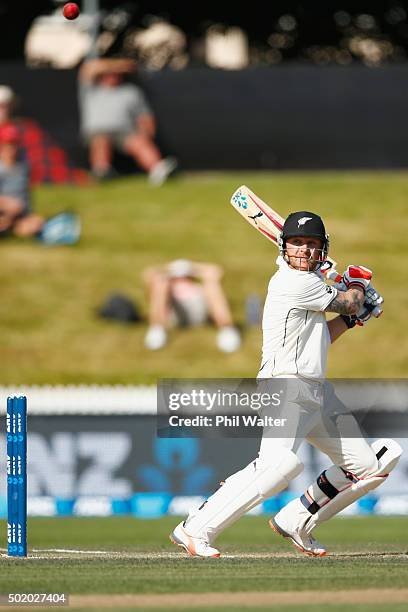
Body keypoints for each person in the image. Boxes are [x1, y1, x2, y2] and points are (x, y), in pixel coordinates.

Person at [170, 211, 401, 557]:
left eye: (312, 245)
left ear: (322, 249)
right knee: (278, 466)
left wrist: (351, 320)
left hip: (316, 391)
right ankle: (194, 528)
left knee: (370, 466)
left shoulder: (312, 285)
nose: (304, 251)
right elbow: (350, 299)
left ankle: (297, 519)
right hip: (285, 387)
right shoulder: (292, 282)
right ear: (284, 246)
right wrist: (356, 283)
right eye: (297, 243)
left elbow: (321, 336)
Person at [78, 58, 177, 184]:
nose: (113, 76)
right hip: (98, 131)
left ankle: (157, 170)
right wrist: (116, 65)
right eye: (109, 73)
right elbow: (88, 68)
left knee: (139, 142)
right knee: (101, 141)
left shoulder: (131, 92)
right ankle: (101, 172)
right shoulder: (91, 89)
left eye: (116, 74)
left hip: (125, 131)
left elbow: (144, 116)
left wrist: (146, 133)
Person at [0, 123, 80, 244]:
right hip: (4, 212)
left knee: (38, 224)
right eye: (9, 144)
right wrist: (6, 204)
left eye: (15, 144)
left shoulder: (23, 166)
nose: (12, 149)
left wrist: (26, 213)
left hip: (20, 215)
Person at [143, 259, 241, 352]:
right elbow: (148, 274)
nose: (181, 278)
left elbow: (215, 272)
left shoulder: (197, 287)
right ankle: (157, 330)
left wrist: (191, 267)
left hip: (199, 313)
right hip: (173, 315)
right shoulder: (167, 286)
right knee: (160, 284)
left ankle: (227, 330)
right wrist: (170, 268)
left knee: (211, 284)